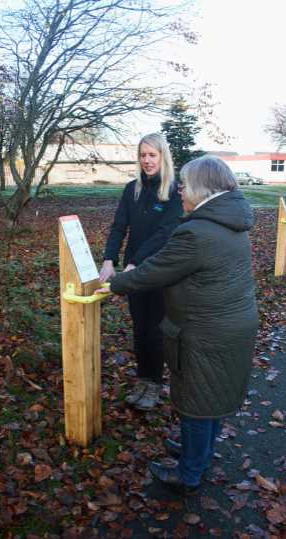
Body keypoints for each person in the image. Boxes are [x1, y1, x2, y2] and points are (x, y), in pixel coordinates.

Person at [98, 155, 258, 493]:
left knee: (198, 400)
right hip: (232, 326)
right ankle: (198, 452)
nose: (181, 192)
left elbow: (156, 270)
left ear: (202, 189)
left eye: (185, 185)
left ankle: (189, 474)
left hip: (206, 333)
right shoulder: (230, 222)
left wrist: (112, 285)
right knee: (213, 396)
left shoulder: (198, 233)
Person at [99, 133, 182, 411]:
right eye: (143, 155)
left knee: (155, 328)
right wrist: (110, 259)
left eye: (152, 155)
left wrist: (135, 262)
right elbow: (118, 226)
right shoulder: (131, 189)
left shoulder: (174, 191)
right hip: (133, 270)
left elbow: (165, 233)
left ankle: (155, 384)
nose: (147, 161)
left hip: (159, 269)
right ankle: (142, 379)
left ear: (162, 157)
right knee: (139, 327)